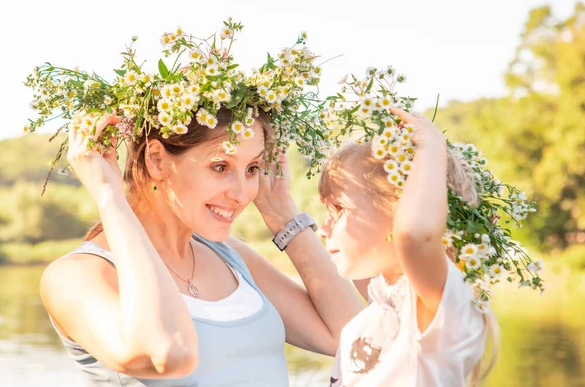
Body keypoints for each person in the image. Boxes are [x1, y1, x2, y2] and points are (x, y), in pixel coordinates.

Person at [39, 104, 364, 386]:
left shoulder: (230, 256)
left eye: (252, 168)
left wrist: (281, 212)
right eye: (220, 167)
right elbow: (169, 353)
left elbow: (354, 338)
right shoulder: (75, 276)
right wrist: (109, 197)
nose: (241, 193)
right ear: (157, 160)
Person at [318, 107, 498, 387]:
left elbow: (414, 236)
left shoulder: (439, 307)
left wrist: (431, 148)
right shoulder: (371, 314)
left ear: (400, 208)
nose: (323, 228)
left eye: (339, 208)